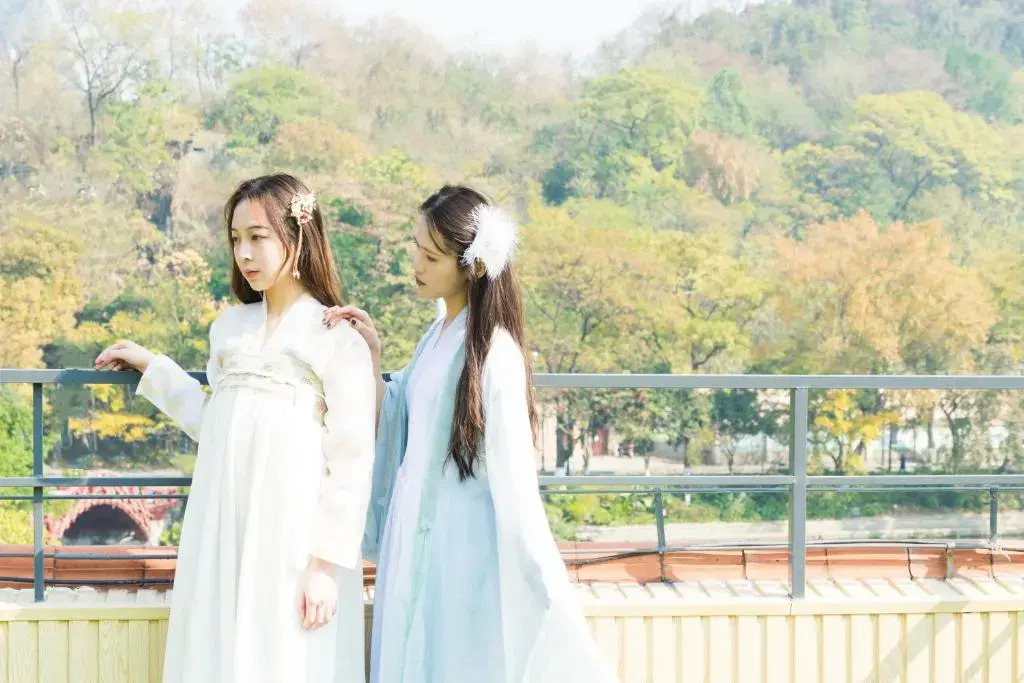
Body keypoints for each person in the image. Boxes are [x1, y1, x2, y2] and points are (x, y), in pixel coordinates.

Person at [323, 185, 618, 683]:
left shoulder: (495, 352)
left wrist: (537, 571)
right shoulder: (438, 334)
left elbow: (514, 476)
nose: (416, 263)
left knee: (451, 658)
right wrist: (372, 356)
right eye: (415, 247)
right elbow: (402, 416)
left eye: (431, 256)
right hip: (414, 528)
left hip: (460, 542)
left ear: (471, 266)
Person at [95, 173, 375, 683]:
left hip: (294, 536)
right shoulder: (229, 329)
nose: (244, 253)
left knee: (286, 655)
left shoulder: (335, 336)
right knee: (220, 648)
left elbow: (352, 459)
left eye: (258, 237)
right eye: (235, 238)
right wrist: (155, 368)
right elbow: (217, 423)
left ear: (298, 237)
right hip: (223, 522)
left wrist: (324, 567)